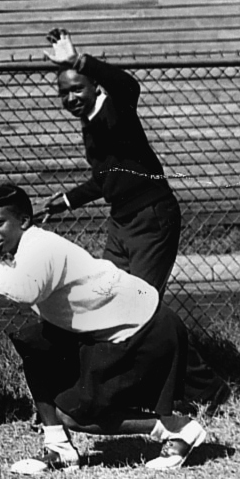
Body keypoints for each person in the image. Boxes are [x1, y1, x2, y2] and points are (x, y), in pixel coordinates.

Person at [0, 185, 228, 473]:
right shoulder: (28, 246)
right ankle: (59, 448)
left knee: (75, 414)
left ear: (24, 221)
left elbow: (24, 291)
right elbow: (20, 287)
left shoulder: (40, 247)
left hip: (141, 330)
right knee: (34, 344)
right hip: (113, 326)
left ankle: (176, 429)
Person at [42, 28, 183, 294]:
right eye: (64, 93)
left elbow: (129, 86)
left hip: (150, 216)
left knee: (141, 299)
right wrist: (67, 201)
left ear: (95, 86)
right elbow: (109, 177)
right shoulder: (90, 121)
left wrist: (79, 61)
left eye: (77, 89)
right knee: (108, 294)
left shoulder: (116, 109)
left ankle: (161, 336)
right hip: (121, 219)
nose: (70, 98)